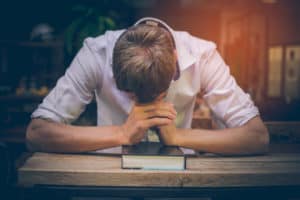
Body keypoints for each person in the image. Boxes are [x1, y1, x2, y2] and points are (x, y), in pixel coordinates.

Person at [26, 17, 269, 155]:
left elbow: (256, 137)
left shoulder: (202, 55)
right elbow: (37, 133)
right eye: (130, 94)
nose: (145, 105)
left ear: (176, 62)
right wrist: (122, 133)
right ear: (113, 66)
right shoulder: (97, 53)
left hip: (181, 185)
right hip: (106, 182)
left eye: (158, 95)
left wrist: (178, 135)